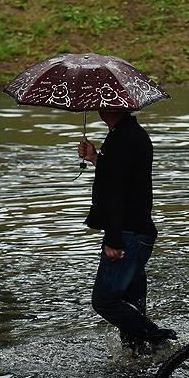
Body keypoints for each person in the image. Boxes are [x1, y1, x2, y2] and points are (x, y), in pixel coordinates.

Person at [78, 110, 176, 354]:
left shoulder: (123, 139)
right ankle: (141, 358)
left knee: (105, 301)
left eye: (103, 102)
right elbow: (120, 179)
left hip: (127, 234)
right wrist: (94, 158)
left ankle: (160, 340)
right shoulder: (128, 135)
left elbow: (115, 194)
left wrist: (113, 239)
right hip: (136, 231)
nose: (99, 106)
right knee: (131, 304)